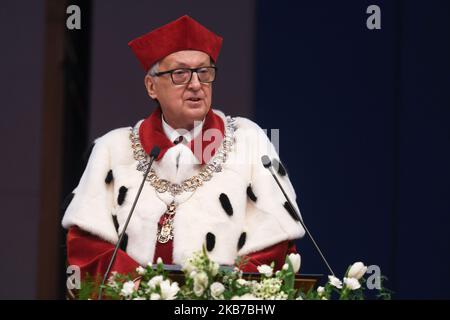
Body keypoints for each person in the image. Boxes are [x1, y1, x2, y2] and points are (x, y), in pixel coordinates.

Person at [62, 15, 305, 281]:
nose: (195, 85)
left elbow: (274, 245)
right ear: (151, 86)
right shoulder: (113, 148)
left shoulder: (248, 140)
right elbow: (87, 247)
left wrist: (219, 293)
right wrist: (145, 291)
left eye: (204, 72)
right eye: (180, 74)